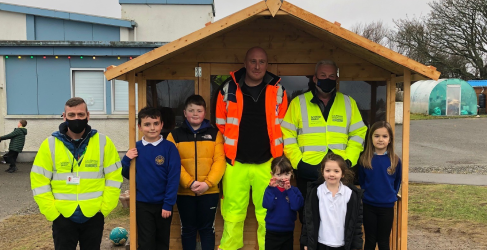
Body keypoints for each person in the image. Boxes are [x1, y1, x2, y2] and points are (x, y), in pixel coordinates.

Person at [215, 47, 288, 250]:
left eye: (262, 62)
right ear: (245, 63)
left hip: (268, 163)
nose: (257, 66)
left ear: (267, 65)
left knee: (268, 213)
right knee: (232, 212)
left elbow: (285, 126)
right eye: (253, 61)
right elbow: (221, 124)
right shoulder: (227, 88)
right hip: (234, 162)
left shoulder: (278, 90)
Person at [281, 60, 367, 226]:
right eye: (323, 76)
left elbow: (358, 133)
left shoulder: (348, 102)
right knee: (309, 223)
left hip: (340, 174)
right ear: (314, 78)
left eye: (331, 76)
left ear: (337, 79)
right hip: (308, 173)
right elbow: (287, 135)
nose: (327, 79)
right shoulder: (298, 103)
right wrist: (298, 163)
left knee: (340, 223)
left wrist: (348, 160)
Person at [30, 97, 123, 250]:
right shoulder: (49, 145)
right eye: (71, 115)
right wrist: (53, 214)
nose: (76, 118)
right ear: (64, 116)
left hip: (94, 215)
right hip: (62, 217)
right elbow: (39, 182)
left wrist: (103, 210)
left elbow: (114, 178)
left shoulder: (104, 143)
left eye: (80, 114)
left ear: (88, 115)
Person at [166, 94, 226, 250]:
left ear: (204, 113)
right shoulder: (174, 135)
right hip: (184, 192)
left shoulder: (215, 134)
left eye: (199, 110)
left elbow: (220, 161)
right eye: (191, 110)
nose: (195, 113)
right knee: (188, 229)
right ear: (185, 113)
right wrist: (189, 182)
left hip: (209, 192)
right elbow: (173, 163)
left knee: (207, 229)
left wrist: (208, 184)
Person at [121, 106, 181, 250]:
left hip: (163, 205)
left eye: (155, 123)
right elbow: (127, 174)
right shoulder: (135, 148)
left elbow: (173, 178)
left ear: (161, 125)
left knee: (161, 242)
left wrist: (168, 204)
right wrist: (126, 160)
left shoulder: (169, 148)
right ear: (140, 127)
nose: (152, 128)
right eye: (147, 124)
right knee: (146, 242)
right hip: (142, 204)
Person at [300, 153, 363, 250]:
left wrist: (357, 246)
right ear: (322, 172)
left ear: (343, 173)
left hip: (342, 245)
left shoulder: (351, 195)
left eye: (336, 171)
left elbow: (356, 223)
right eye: (328, 170)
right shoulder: (315, 192)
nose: (332, 174)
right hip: (321, 244)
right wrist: (306, 242)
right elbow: (308, 220)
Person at [358, 121, 402, 250]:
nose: (380, 139)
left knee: (383, 242)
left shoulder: (395, 160)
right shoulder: (365, 159)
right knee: (370, 241)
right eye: (376, 136)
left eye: (384, 136)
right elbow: (362, 180)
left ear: (390, 139)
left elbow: (397, 181)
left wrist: (391, 195)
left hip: (387, 206)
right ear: (371, 138)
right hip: (369, 206)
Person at [263, 155, 304, 250]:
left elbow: (296, 206)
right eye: (278, 174)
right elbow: (267, 205)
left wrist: (289, 190)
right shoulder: (270, 190)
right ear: (272, 174)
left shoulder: (294, 191)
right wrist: (271, 189)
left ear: (291, 174)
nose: (283, 178)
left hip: (288, 232)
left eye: (286, 174)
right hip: (272, 232)